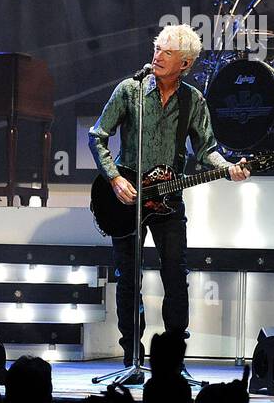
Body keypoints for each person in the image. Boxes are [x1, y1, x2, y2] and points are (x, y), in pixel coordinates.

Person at [88, 24, 250, 383]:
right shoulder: (130, 91)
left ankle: (173, 359)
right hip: (126, 196)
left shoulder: (193, 100)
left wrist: (228, 169)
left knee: (176, 277)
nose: (158, 56)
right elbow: (97, 135)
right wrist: (114, 178)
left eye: (167, 52)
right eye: (157, 49)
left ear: (186, 63)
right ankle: (132, 358)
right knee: (128, 278)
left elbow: (207, 150)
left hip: (169, 199)